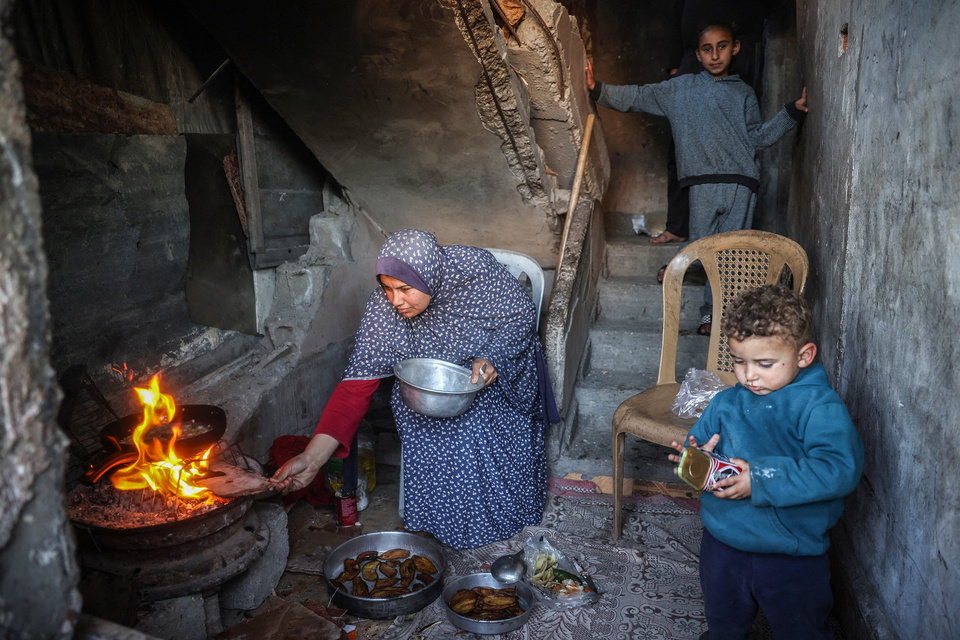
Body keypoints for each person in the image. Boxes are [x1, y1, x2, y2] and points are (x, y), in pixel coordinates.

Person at [270, 229, 558, 549]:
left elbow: (519, 317)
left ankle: (494, 519)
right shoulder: (384, 309)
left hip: (496, 371)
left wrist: (494, 357)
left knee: (472, 422)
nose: (396, 300)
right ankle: (439, 517)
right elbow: (356, 386)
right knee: (409, 409)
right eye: (388, 288)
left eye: (405, 289)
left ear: (429, 275)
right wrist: (312, 458)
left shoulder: (475, 274)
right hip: (434, 385)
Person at [587, 22, 808, 335]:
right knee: (704, 248)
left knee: (731, 256)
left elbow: (757, 137)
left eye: (722, 46)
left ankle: (713, 316)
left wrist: (791, 112)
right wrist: (598, 89)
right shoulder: (680, 89)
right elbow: (639, 95)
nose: (715, 55)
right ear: (698, 55)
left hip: (741, 183)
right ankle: (678, 266)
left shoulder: (743, 93)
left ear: (735, 49)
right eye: (708, 49)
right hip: (701, 184)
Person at [668, 285, 864, 640]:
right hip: (723, 543)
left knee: (801, 628)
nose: (749, 375)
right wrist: (695, 458)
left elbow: (839, 469)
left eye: (765, 363)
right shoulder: (726, 403)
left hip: (789, 552)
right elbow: (700, 443)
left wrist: (759, 479)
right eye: (739, 361)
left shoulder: (818, 407)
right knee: (723, 624)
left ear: (804, 355)